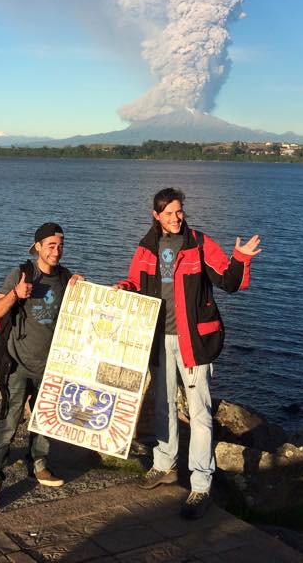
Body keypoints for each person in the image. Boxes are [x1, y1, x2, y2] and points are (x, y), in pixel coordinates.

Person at [115, 187, 262, 520]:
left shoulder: (199, 243)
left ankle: (200, 484)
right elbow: (135, 284)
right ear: (156, 216)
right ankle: (164, 464)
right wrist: (121, 289)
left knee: (199, 412)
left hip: (193, 342)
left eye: (179, 211)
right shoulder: (146, 247)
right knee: (163, 404)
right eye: (168, 213)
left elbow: (229, 282)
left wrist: (241, 258)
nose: (175, 218)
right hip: (159, 338)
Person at [0, 221, 81, 512]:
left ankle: (38, 466)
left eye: (60, 245)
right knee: (8, 424)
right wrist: (16, 295)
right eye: (51, 245)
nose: (57, 251)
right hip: (17, 364)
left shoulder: (65, 277)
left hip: (51, 364)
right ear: (37, 247)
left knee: (46, 419)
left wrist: (83, 288)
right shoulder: (22, 274)